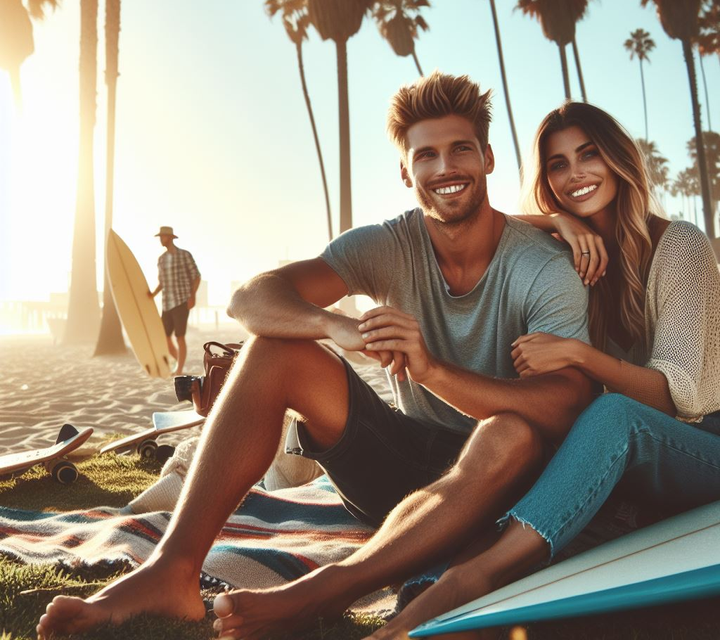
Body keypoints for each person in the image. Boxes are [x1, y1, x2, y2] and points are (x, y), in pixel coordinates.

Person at [37, 72, 594, 638]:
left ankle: (322, 592)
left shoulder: (542, 267)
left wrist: (433, 371)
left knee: (513, 433)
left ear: (489, 158)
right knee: (276, 349)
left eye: (460, 150)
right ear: (406, 170)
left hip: (501, 487)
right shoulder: (387, 244)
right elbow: (251, 297)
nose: (445, 168)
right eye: (426, 154)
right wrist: (334, 325)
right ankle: (172, 571)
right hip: (401, 470)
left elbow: (570, 404)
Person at [359, 102, 720, 640]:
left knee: (611, 413)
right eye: (557, 164)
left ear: (617, 160)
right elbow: (494, 227)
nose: (575, 174)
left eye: (588, 155)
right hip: (620, 456)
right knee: (530, 443)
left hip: (699, 448)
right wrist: (556, 220)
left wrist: (579, 356)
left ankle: (472, 578)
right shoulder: (567, 254)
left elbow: (679, 399)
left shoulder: (681, 246)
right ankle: (426, 592)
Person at [148, 226, 201, 376]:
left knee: (180, 337)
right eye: (159, 237)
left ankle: (179, 369)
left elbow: (196, 276)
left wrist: (192, 296)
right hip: (166, 304)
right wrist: (152, 294)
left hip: (181, 301)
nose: (160, 240)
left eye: (162, 237)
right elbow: (162, 282)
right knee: (165, 338)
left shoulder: (184, 255)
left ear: (170, 238)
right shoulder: (161, 259)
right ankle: (180, 363)